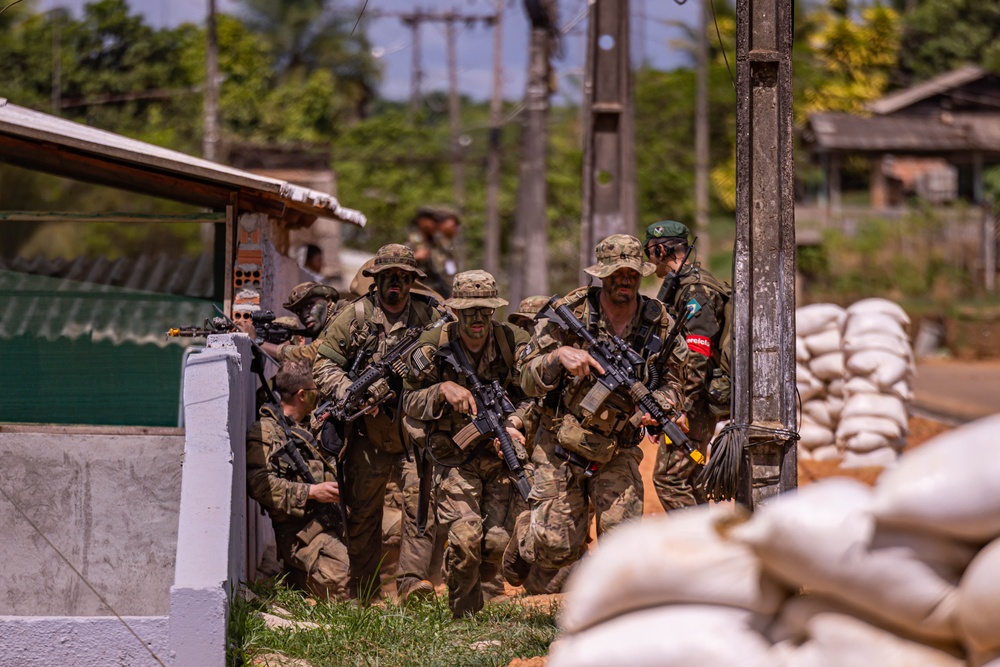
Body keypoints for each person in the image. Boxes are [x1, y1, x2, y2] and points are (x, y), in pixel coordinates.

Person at [504, 234, 690, 585]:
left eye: (632, 273)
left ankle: (617, 618)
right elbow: (525, 377)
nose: (625, 279)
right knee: (555, 549)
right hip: (559, 443)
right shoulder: (568, 314)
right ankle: (527, 533)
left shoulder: (659, 322)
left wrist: (662, 405)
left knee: (625, 545)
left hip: (617, 447)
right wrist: (558, 357)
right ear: (602, 275)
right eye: (616, 273)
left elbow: (676, 384)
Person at [313, 244, 443, 603]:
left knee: (422, 506)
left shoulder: (430, 316)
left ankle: (413, 583)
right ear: (377, 279)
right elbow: (323, 364)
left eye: (403, 278)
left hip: (414, 433)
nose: (395, 285)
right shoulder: (356, 316)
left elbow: (454, 355)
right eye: (388, 278)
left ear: (412, 281)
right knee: (362, 514)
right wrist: (352, 394)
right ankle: (364, 592)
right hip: (367, 435)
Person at [402, 270, 531, 617]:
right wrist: (441, 390)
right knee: (465, 540)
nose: (478, 319)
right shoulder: (433, 344)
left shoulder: (512, 341)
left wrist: (516, 422)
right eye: (470, 311)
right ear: (456, 311)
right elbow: (407, 401)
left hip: (499, 454)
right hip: (453, 456)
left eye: (485, 311)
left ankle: (482, 602)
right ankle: (462, 619)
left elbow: (536, 395)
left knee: (497, 543)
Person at [643, 221, 731, 511]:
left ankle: (696, 547)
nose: (649, 260)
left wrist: (683, 408)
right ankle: (708, 544)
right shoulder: (686, 286)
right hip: (693, 397)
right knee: (691, 477)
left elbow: (698, 353)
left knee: (670, 479)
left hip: (698, 399)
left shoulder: (695, 290)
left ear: (659, 249)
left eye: (649, 253)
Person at [246, 360, 350, 599]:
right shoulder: (266, 432)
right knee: (348, 583)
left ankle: (301, 580)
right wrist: (312, 493)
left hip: (333, 521)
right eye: (317, 390)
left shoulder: (314, 426)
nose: (321, 394)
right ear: (302, 395)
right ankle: (298, 579)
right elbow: (260, 484)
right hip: (300, 534)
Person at [237, 282, 341, 364]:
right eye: (299, 311)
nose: (305, 315)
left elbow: (312, 354)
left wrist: (258, 341)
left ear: (327, 300)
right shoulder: (325, 327)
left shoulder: (340, 321)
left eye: (309, 305)